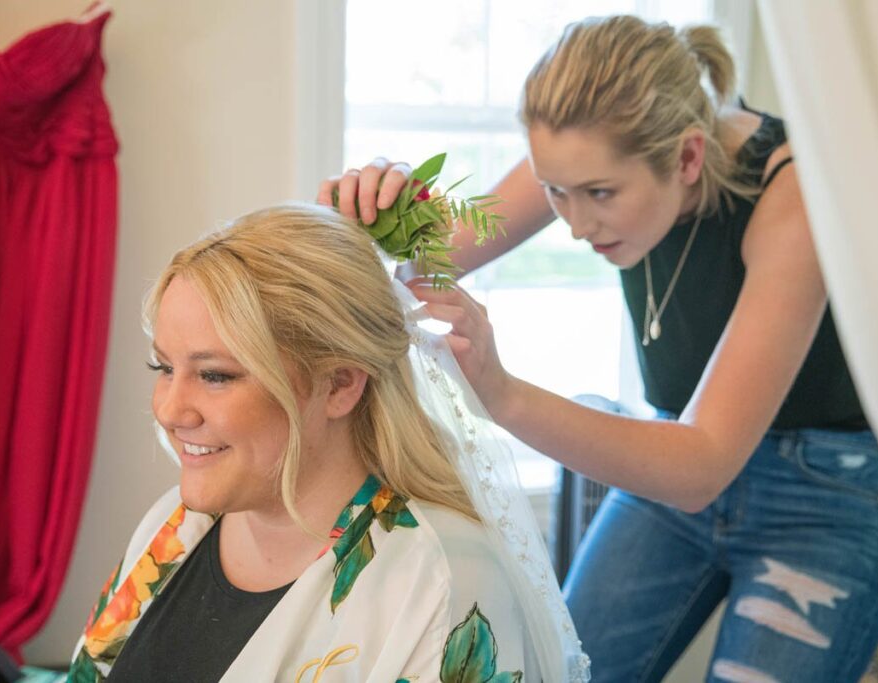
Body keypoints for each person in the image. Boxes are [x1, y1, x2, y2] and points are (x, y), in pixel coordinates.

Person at [320, 15, 878, 682]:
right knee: (563, 671)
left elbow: (700, 466)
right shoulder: (587, 159)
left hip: (821, 494)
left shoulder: (794, 192)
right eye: (554, 191)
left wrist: (502, 392)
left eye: (599, 194)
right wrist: (381, 205)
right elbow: (423, 262)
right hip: (668, 452)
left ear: (687, 157)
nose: (574, 224)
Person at [66, 204, 588, 682]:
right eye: (164, 367)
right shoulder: (173, 526)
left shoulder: (437, 580)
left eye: (216, 376)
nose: (169, 410)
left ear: (339, 384)